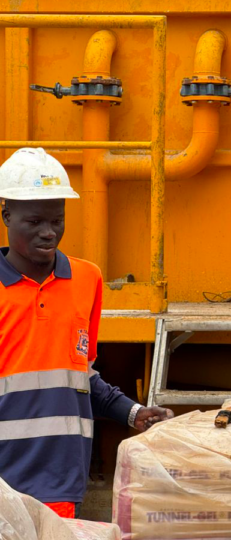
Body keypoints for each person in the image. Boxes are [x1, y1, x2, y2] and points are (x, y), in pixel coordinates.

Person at [0, 148, 173, 519]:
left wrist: (132, 412)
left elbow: (79, 372)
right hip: (4, 483)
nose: (49, 233)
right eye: (34, 222)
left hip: (61, 478)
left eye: (57, 221)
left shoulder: (86, 279)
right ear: (6, 216)